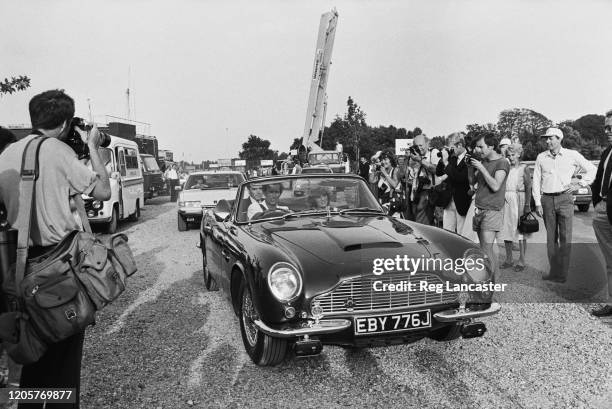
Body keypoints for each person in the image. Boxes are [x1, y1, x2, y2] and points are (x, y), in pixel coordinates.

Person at [0, 89, 111, 408]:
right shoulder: (59, 153)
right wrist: (91, 148)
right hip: (59, 272)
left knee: (33, 360)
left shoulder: (6, 155)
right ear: (64, 123)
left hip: (20, 271)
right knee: (64, 366)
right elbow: (103, 191)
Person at [533, 127, 596, 283]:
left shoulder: (571, 155)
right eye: (546, 138)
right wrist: (537, 203)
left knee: (565, 238)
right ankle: (554, 272)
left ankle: (562, 274)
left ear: (559, 138)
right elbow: (536, 180)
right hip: (546, 200)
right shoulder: (541, 157)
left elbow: (592, 169)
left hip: (565, 199)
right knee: (550, 239)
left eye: (550, 138)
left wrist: (579, 183)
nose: (547, 141)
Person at [469, 132, 510, 279]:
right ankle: (487, 280)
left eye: (481, 147)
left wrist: (481, 167)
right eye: (477, 147)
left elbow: (495, 186)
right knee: (483, 249)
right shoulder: (484, 161)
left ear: (492, 146)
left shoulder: (502, 162)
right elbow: (473, 183)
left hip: (492, 210)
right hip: (479, 208)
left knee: (487, 249)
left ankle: (493, 285)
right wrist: (471, 167)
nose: (478, 150)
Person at [590, 110, 612, 317]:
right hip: (603, 210)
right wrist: (597, 203)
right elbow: (599, 178)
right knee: (610, 260)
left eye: (611, 127)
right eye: (606, 126)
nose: (608, 131)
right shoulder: (607, 152)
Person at [499, 143, 532, 271]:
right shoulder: (506, 168)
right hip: (506, 199)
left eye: (513, 155)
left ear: (519, 154)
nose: (511, 157)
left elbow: (528, 186)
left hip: (519, 198)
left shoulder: (524, 168)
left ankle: (522, 260)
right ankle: (508, 259)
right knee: (506, 229)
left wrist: (528, 204)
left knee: (520, 231)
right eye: (508, 155)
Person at [437, 133, 471, 233]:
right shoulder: (452, 158)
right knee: (447, 232)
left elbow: (460, 178)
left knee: (461, 233)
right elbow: (439, 172)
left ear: (459, 145)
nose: (451, 150)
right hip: (449, 200)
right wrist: (442, 160)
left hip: (462, 200)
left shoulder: (469, 158)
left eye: (452, 148)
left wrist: (447, 163)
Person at [408, 134, 439, 225]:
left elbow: (436, 170)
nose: (419, 148)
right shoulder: (415, 157)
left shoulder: (434, 152)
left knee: (422, 224)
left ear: (427, 144)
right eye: (416, 146)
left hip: (431, 193)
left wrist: (420, 160)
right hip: (418, 193)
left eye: (421, 145)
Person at [376, 151, 401, 216]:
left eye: (385, 159)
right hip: (382, 202)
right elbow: (372, 181)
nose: (383, 162)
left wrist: (385, 173)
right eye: (382, 160)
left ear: (391, 160)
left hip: (392, 204)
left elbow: (395, 185)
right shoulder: (381, 171)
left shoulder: (395, 170)